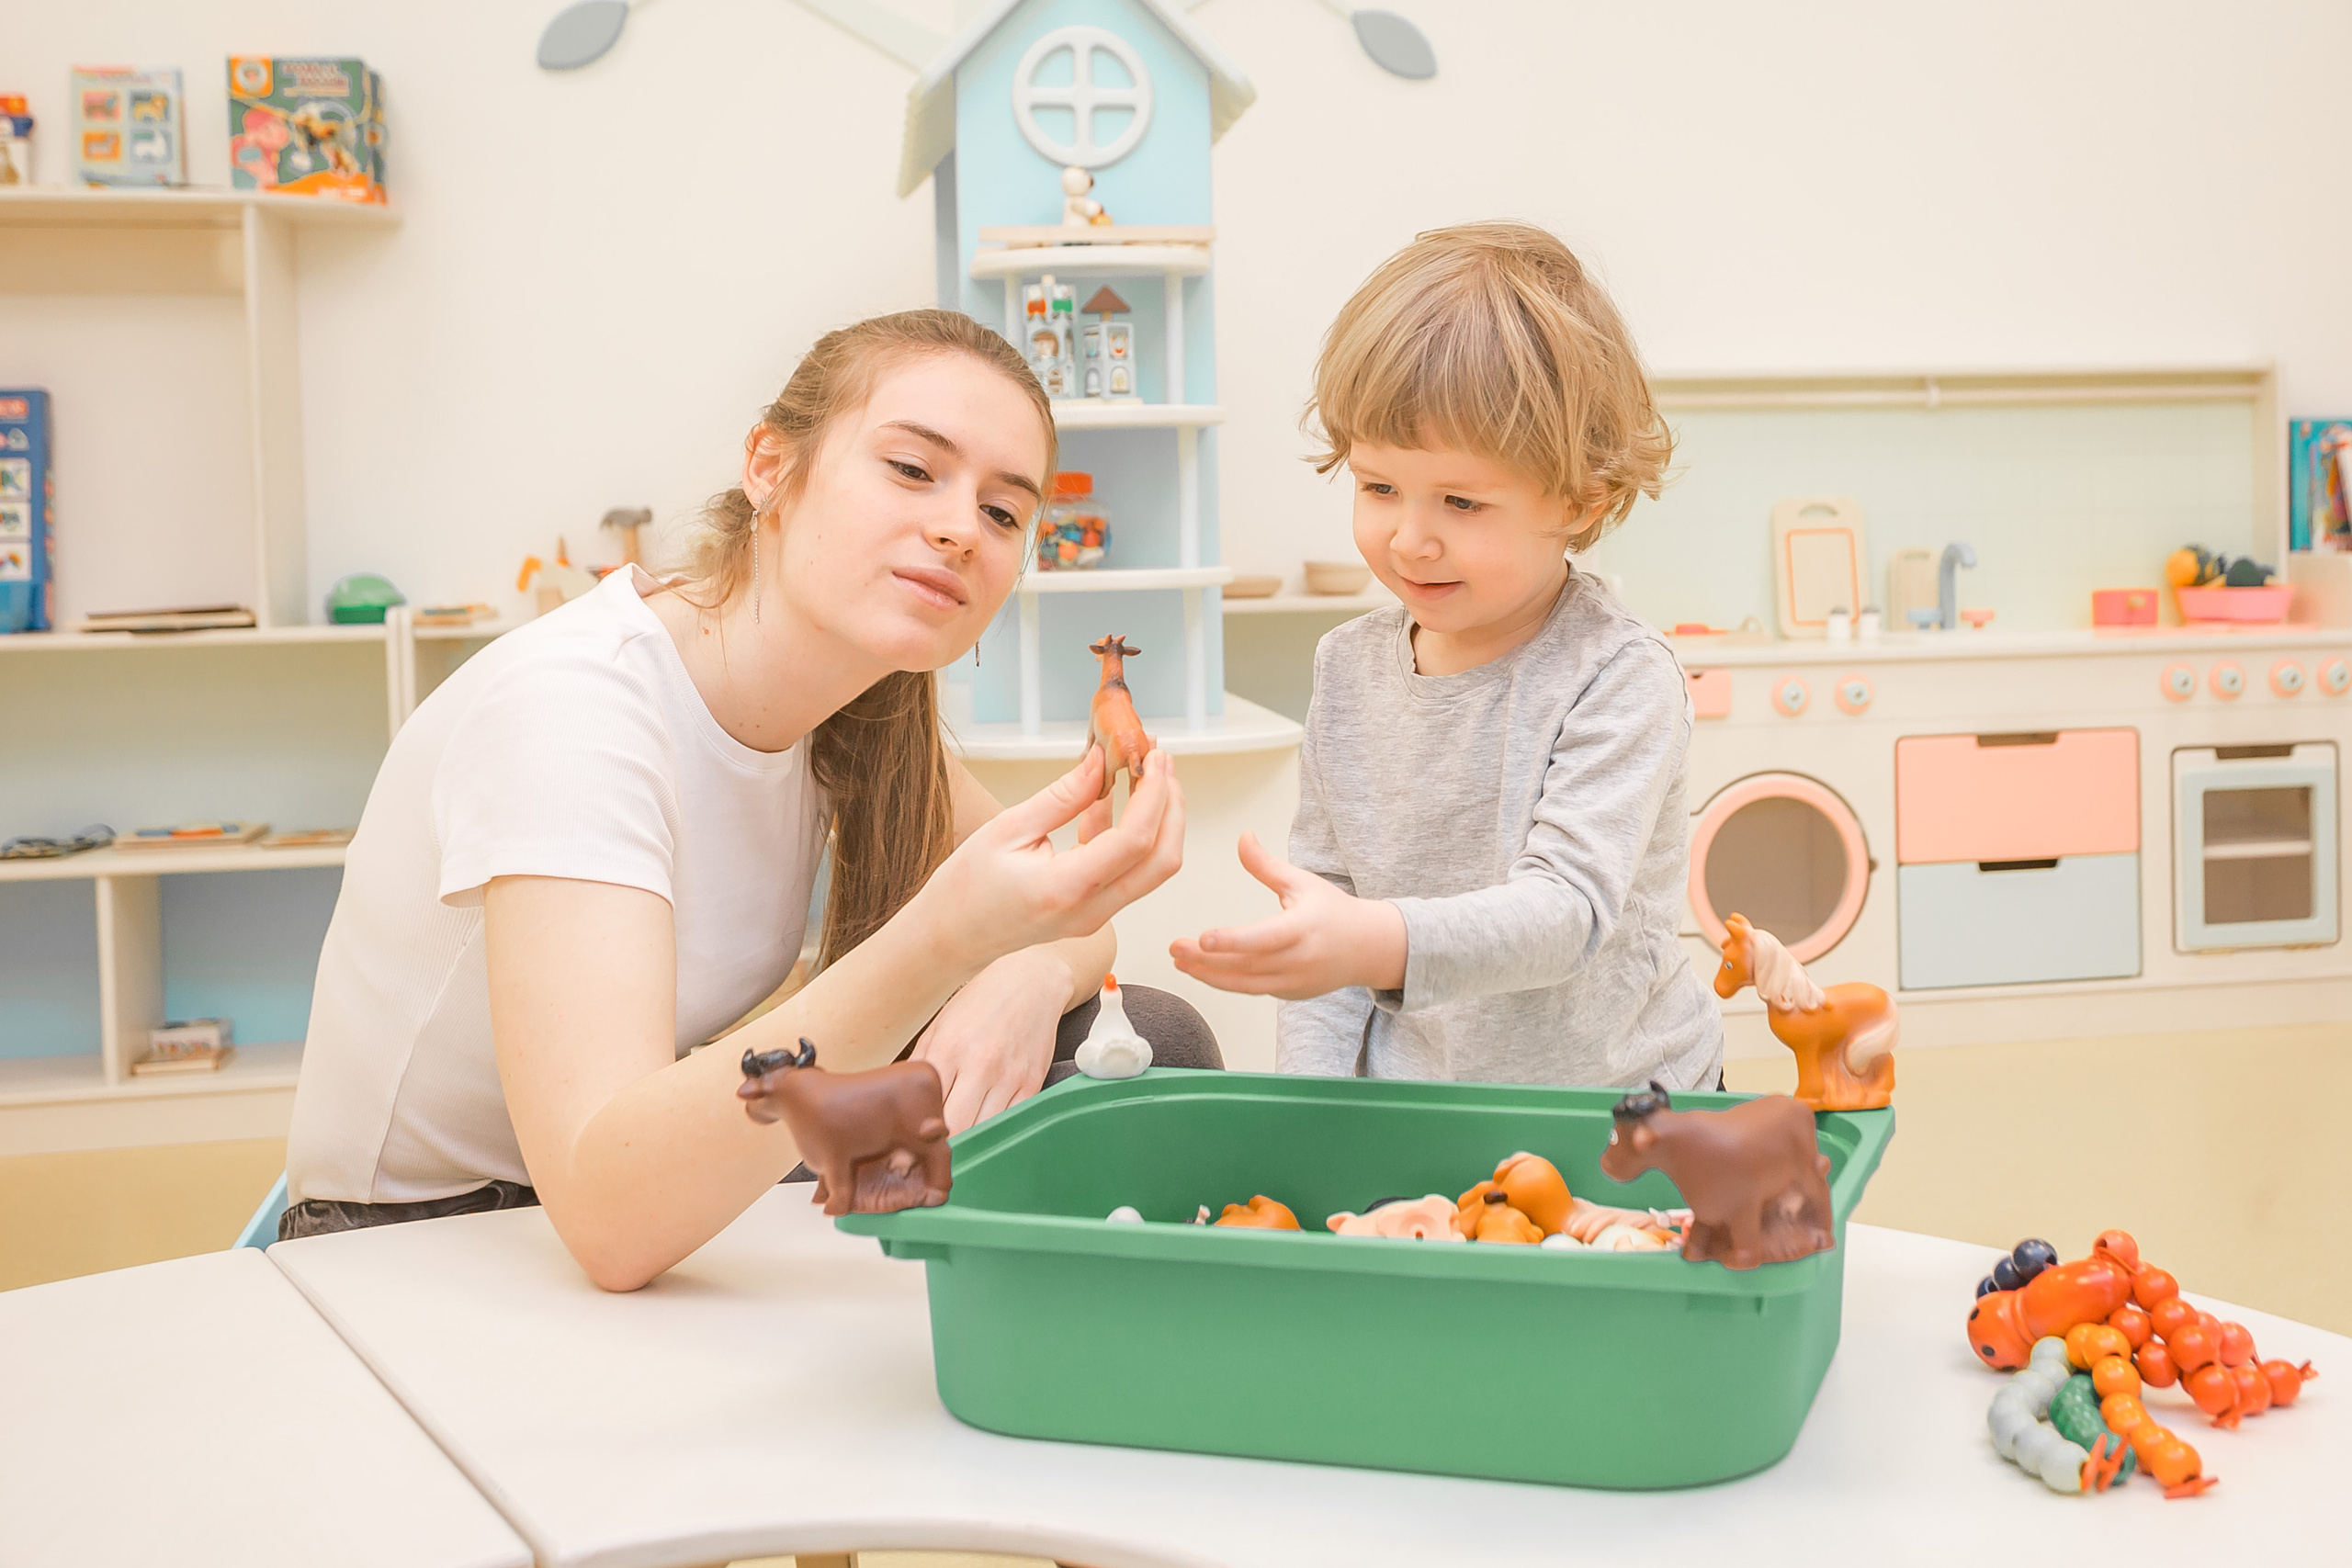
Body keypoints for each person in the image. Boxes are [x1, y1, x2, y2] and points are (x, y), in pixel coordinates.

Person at [283, 310, 1214, 1290]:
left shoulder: (862, 707)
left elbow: (1069, 919)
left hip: (634, 1200)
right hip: (430, 1236)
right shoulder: (574, 709)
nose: (957, 527)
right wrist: (946, 941)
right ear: (771, 466)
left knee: (1153, 1039)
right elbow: (606, 1220)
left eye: (1002, 513)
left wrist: (1018, 978)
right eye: (910, 469)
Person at [1171, 222, 1724, 1090]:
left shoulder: (1620, 677)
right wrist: (1310, 1104)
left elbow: (1565, 912)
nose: (1411, 539)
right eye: (1378, 487)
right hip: (1422, 1101)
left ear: (1582, 500)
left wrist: (1373, 939)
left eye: (1461, 501)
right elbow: (1323, 910)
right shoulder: (1346, 669)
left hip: (1618, 1110)